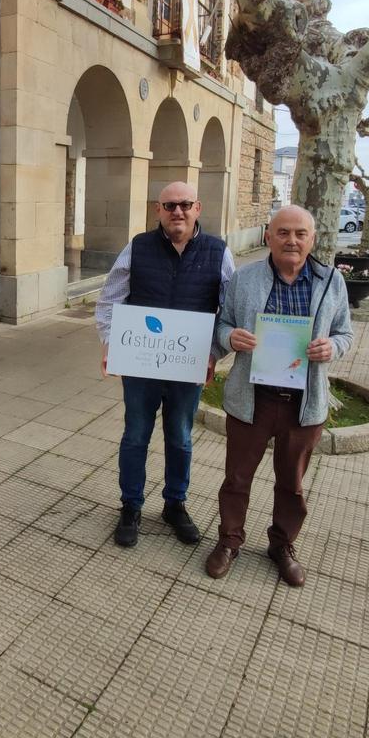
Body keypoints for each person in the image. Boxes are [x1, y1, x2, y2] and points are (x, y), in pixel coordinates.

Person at [204, 205, 353, 585]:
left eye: (300, 233)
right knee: (236, 479)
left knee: (292, 484)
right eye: (283, 232)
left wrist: (332, 348)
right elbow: (222, 324)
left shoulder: (331, 281)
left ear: (312, 239)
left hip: (303, 405)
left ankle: (282, 544)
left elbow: (345, 333)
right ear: (268, 236)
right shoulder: (245, 277)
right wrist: (228, 338)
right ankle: (229, 540)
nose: (292, 240)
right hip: (252, 400)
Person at [95, 181, 235, 548]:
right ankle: (131, 506)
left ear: (198, 208)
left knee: (181, 438)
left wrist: (214, 353)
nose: (178, 212)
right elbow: (110, 299)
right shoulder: (138, 247)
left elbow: (229, 312)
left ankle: (175, 504)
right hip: (140, 364)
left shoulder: (218, 252)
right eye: (170, 205)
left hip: (187, 365)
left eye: (185, 205)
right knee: (135, 435)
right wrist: (110, 343)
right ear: (158, 209)